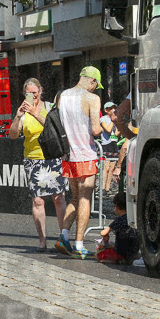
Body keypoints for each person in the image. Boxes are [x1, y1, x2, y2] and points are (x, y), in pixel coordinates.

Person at [7, 77, 68, 250]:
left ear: (41, 91)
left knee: (58, 198)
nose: (32, 96)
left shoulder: (50, 107)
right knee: (38, 201)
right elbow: (13, 135)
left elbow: (55, 129)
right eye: (28, 93)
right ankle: (42, 240)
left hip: (53, 156)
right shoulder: (23, 112)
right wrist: (18, 117)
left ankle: (64, 237)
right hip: (33, 159)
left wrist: (36, 113)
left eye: (34, 92)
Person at [53, 66, 103, 259]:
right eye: (96, 85)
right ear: (92, 80)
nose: (95, 89)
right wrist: (109, 123)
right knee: (85, 199)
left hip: (68, 155)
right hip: (85, 154)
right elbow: (96, 130)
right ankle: (79, 245)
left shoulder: (62, 96)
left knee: (74, 198)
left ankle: (64, 237)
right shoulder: (92, 98)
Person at [96, 193, 139, 264]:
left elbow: (103, 233)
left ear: (116, 207)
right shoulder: (134, 218)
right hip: (134, 251)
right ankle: (129, 258)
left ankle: (118, 259)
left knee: (100, 254)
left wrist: (106, 237)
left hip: (121, 252)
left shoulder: (119, 220)